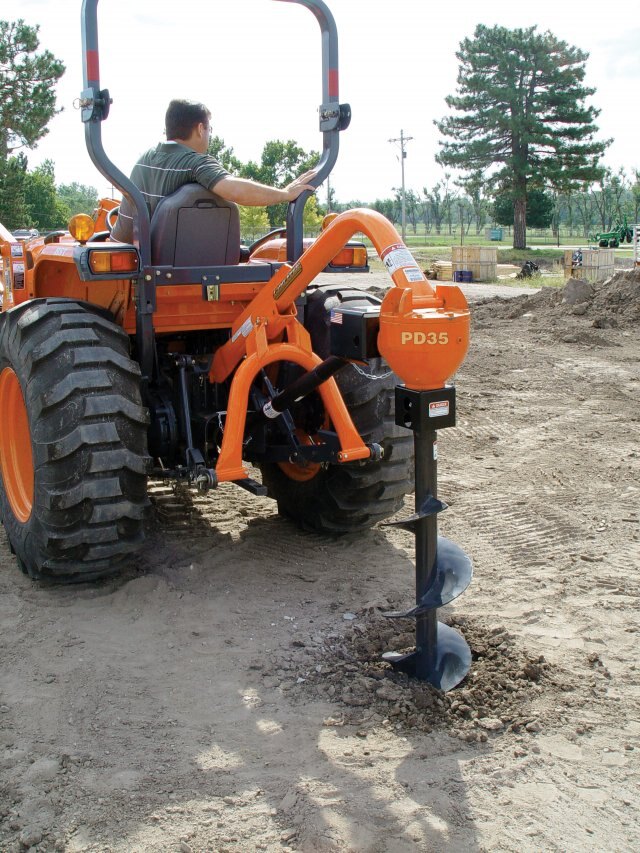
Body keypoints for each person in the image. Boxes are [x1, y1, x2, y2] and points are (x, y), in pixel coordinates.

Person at [111, 99, 316, 243]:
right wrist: (285, 194)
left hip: (147, 273)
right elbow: (235, 190)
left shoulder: (143, 162)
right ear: (200, 129)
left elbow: (123, 232)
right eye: (209, 129)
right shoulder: (194, 162)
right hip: (195, 271)